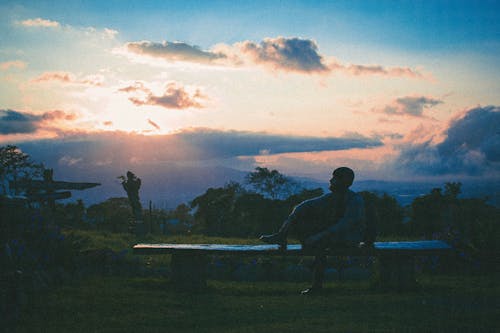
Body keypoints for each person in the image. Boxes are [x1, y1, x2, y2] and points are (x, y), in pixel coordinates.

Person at [260, 167, 365, 295]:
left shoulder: (354, 200)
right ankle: (282, 235)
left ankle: (317, 286)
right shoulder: (331, 197)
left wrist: (318, 236)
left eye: (335, 178)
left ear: (344, 181)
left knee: (320, 247)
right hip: (334, 237)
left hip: (349, 239)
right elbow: (306, 205)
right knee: (302, 217)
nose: (330, 180)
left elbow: (344, 225)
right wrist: (298, 212)